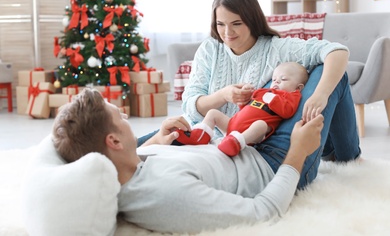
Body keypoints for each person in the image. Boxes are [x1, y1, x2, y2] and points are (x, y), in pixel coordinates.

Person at [52, 88, 324, 234]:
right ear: (113, 142)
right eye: (120, 118)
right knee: (325, 74)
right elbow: (263, 212)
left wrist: (158, 139)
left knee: (302, 74)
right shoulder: (165, 194)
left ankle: (340, 150)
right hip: (273, 163)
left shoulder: (128, 164)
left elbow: (140, 158)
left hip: (244, 142)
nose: (126, 118)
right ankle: (344, 153)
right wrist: (299, 151)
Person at [180, 0, 361, 189]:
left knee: (328, 70)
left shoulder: (275, 48)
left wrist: (321, 94)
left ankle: (342, 155)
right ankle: (345, 155)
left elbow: (337, 51)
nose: (227, 32)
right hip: (228, 139)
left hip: (263, 141)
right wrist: (224, 95)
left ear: (252, 20)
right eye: (220, 24)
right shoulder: (210, 49)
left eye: (236, 23)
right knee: (163, 136)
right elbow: (188, 106)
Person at [176, 61, 309, 157]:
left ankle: (237, 143)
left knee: (260, 124)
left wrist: (273, 99)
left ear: (298, 88)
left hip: (252, 134)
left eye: (283, 79)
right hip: (233, 124)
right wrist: (245, 95)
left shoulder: (291, 96)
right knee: (213, 113)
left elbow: (288, 112)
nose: (276, 82)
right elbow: (246, 106)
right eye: (274, 79)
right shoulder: (264, 92)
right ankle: (200, 136)